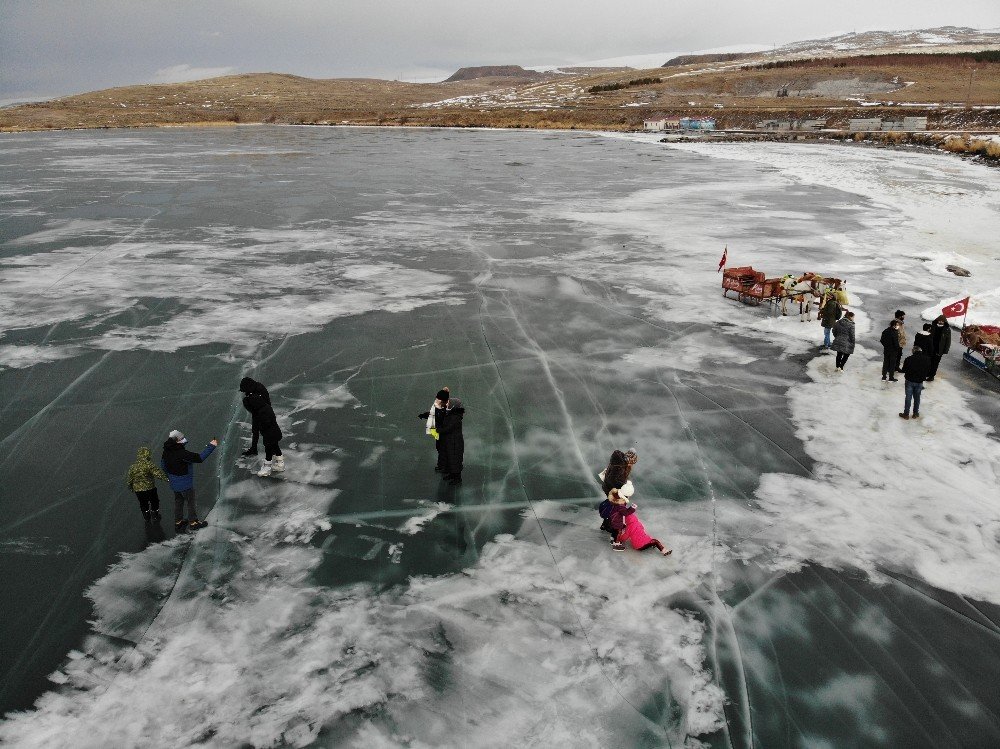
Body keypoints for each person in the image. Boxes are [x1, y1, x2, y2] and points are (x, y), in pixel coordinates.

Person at [161, 430, 218, 531]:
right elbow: (199, 458)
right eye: (181, 438)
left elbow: (163, 466)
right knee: (190, 502)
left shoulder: (166, 452)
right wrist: (211, 446)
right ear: (177, 441)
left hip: (174, 484)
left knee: (178, 502)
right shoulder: (182, 453)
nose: (184, 439)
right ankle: (193, 522)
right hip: (185, 485)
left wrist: (169, 478)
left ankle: (178, 522)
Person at [243, 392, 284, 477]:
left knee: (268, 451)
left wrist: (258, 426)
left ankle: (267, 468)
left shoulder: (260, 413)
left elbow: (264, 424)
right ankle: (280, 464)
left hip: (269, 434)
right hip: (276, 431)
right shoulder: (266, 407)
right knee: (276, 447)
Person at [125, 446, 168, 523]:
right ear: (147, 454)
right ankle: (155, 515)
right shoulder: (149, 464)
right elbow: (157, 473)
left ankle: (146, 517)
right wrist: (167, 479)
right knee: (154, 501)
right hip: (149, 488)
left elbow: (130, 478)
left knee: (143, 503)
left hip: (138, 490)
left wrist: (130, 487)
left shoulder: (133, 466)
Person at [435, 390, 465, 485]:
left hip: (454, 443)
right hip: (450, 441)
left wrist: (438, 429)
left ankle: (457, 478)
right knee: (450, 459)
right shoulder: (451, 414)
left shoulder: (455, 417)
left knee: (455, 460)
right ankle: (452, 474)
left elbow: (448, 428)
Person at [417, 387, 449, 473]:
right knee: (439, 449)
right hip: (439, 433)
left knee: (444, 450)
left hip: (444, 434)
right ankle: (442, 465)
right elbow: (432, 414)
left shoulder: (447, 411)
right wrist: (424, 415)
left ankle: (445, 466)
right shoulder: (438, 408)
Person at [239, 377, 271, 455]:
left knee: (262, 431)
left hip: (261, 412)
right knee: (256, 431)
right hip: (260, 412)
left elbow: (260, 402)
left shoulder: (258, 390)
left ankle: (268, 449)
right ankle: (254, 448)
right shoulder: (256, 388)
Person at [899, 345, 932, 420]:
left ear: (913, 351)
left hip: (909, 381)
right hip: (920, 382)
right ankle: (915, 414)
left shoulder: (908, 359)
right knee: (917, 398)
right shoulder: (927, 359)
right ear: (921, 351)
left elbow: (903, 370)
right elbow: (929, 371)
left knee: (908, 398)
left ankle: (906, 414)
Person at [606, 485, 636, 551]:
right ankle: (616, 545)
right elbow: (625, 513)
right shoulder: (621, 503)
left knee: (615, 530)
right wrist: (632, 508)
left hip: (613, 518)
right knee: (618, 532)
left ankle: (613, 540)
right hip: (617, 520)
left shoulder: (617, 498)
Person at [928, 315, 952, 381]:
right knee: (929, 361)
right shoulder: (933, 327)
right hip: (931, 348)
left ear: (944, 322)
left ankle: (931, 376)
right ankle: (927, 373)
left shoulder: (947, 330)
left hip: (939, 350)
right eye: (939, 320)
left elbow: (948, 341)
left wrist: (945, 351)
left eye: (942, 321)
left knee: (935, 364)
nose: (940, 322)